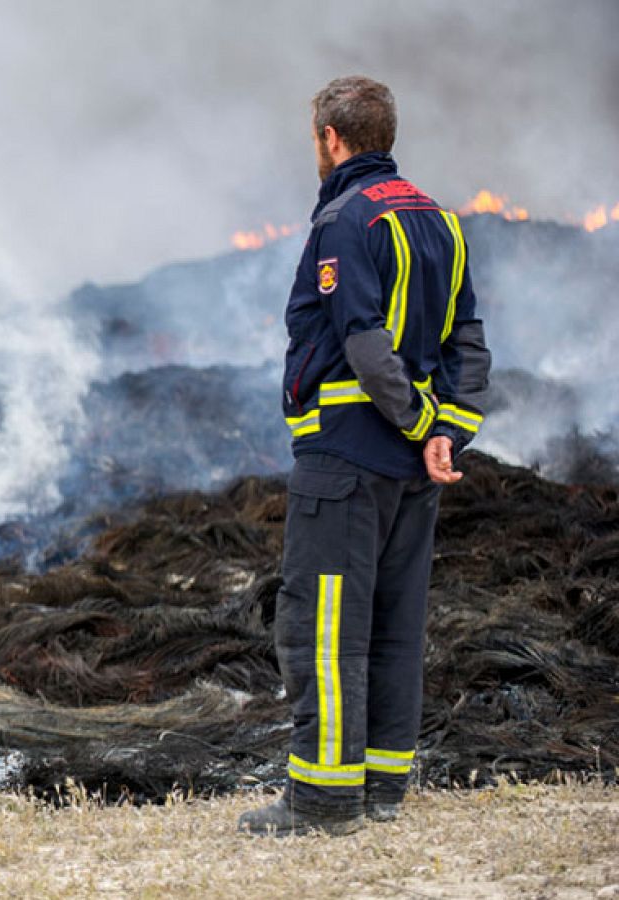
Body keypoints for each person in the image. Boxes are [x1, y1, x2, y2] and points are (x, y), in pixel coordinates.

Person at [238, 75, 493, 836]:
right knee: (392, 625)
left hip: (346, 459)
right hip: (414, 475)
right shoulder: (441, 221)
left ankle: (320, 802)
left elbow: (361, 339)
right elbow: (467, 341)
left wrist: (417, 422)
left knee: (319, 627)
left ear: (331, 138)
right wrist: (449, 430)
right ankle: (382, 790)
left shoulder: (346, 220)